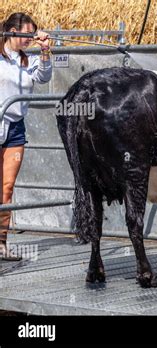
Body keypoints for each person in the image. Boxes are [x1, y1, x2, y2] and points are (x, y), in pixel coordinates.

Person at [0, 13, 52, 261]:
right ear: (10, 31)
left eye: (32, 35)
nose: (28, 40)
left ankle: (1, 242)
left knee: (7, 188)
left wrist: (44, 51)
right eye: (25, 35)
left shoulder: (27, 60)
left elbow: (44, 77)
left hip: (15, 128)